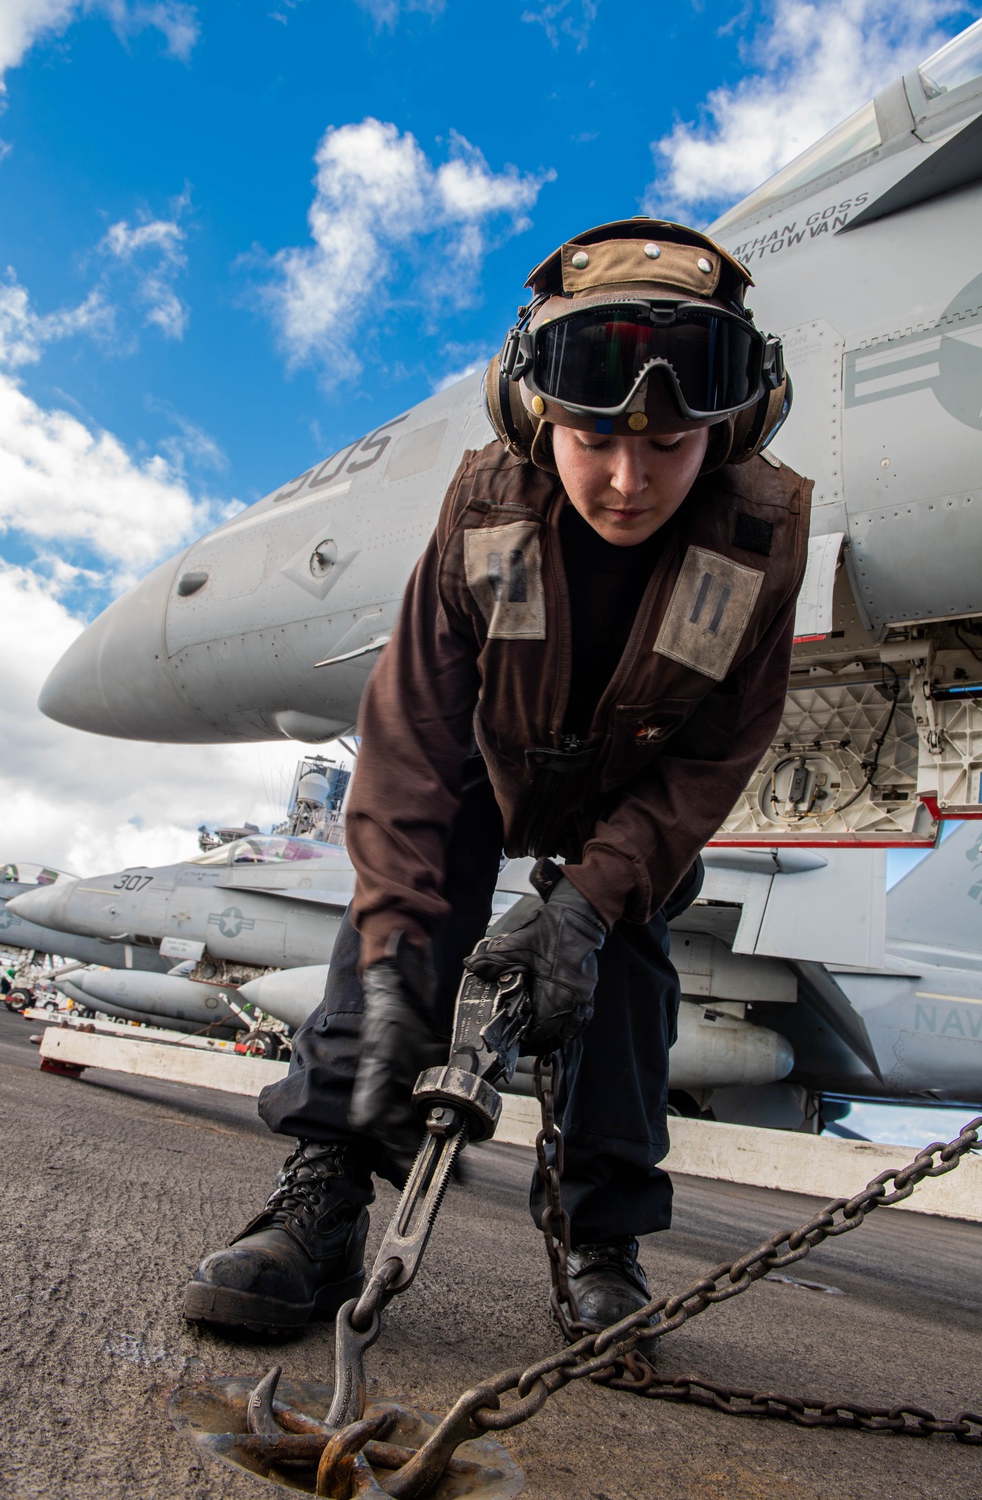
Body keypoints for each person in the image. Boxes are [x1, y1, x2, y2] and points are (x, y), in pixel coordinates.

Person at [183, 218, 811, 1353]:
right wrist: (388, 969)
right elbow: (412, 744)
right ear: (538, 418)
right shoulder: (485, 518)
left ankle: (603, 1246)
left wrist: (587, 898)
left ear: (728, 428)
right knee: (398, 932)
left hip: (635, 791)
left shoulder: (756, 543)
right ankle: (322, 1196)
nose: (629, 481)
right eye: (594, 441)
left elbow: (716, 752)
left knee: (624, 961)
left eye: (669, 446)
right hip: (484, 759)